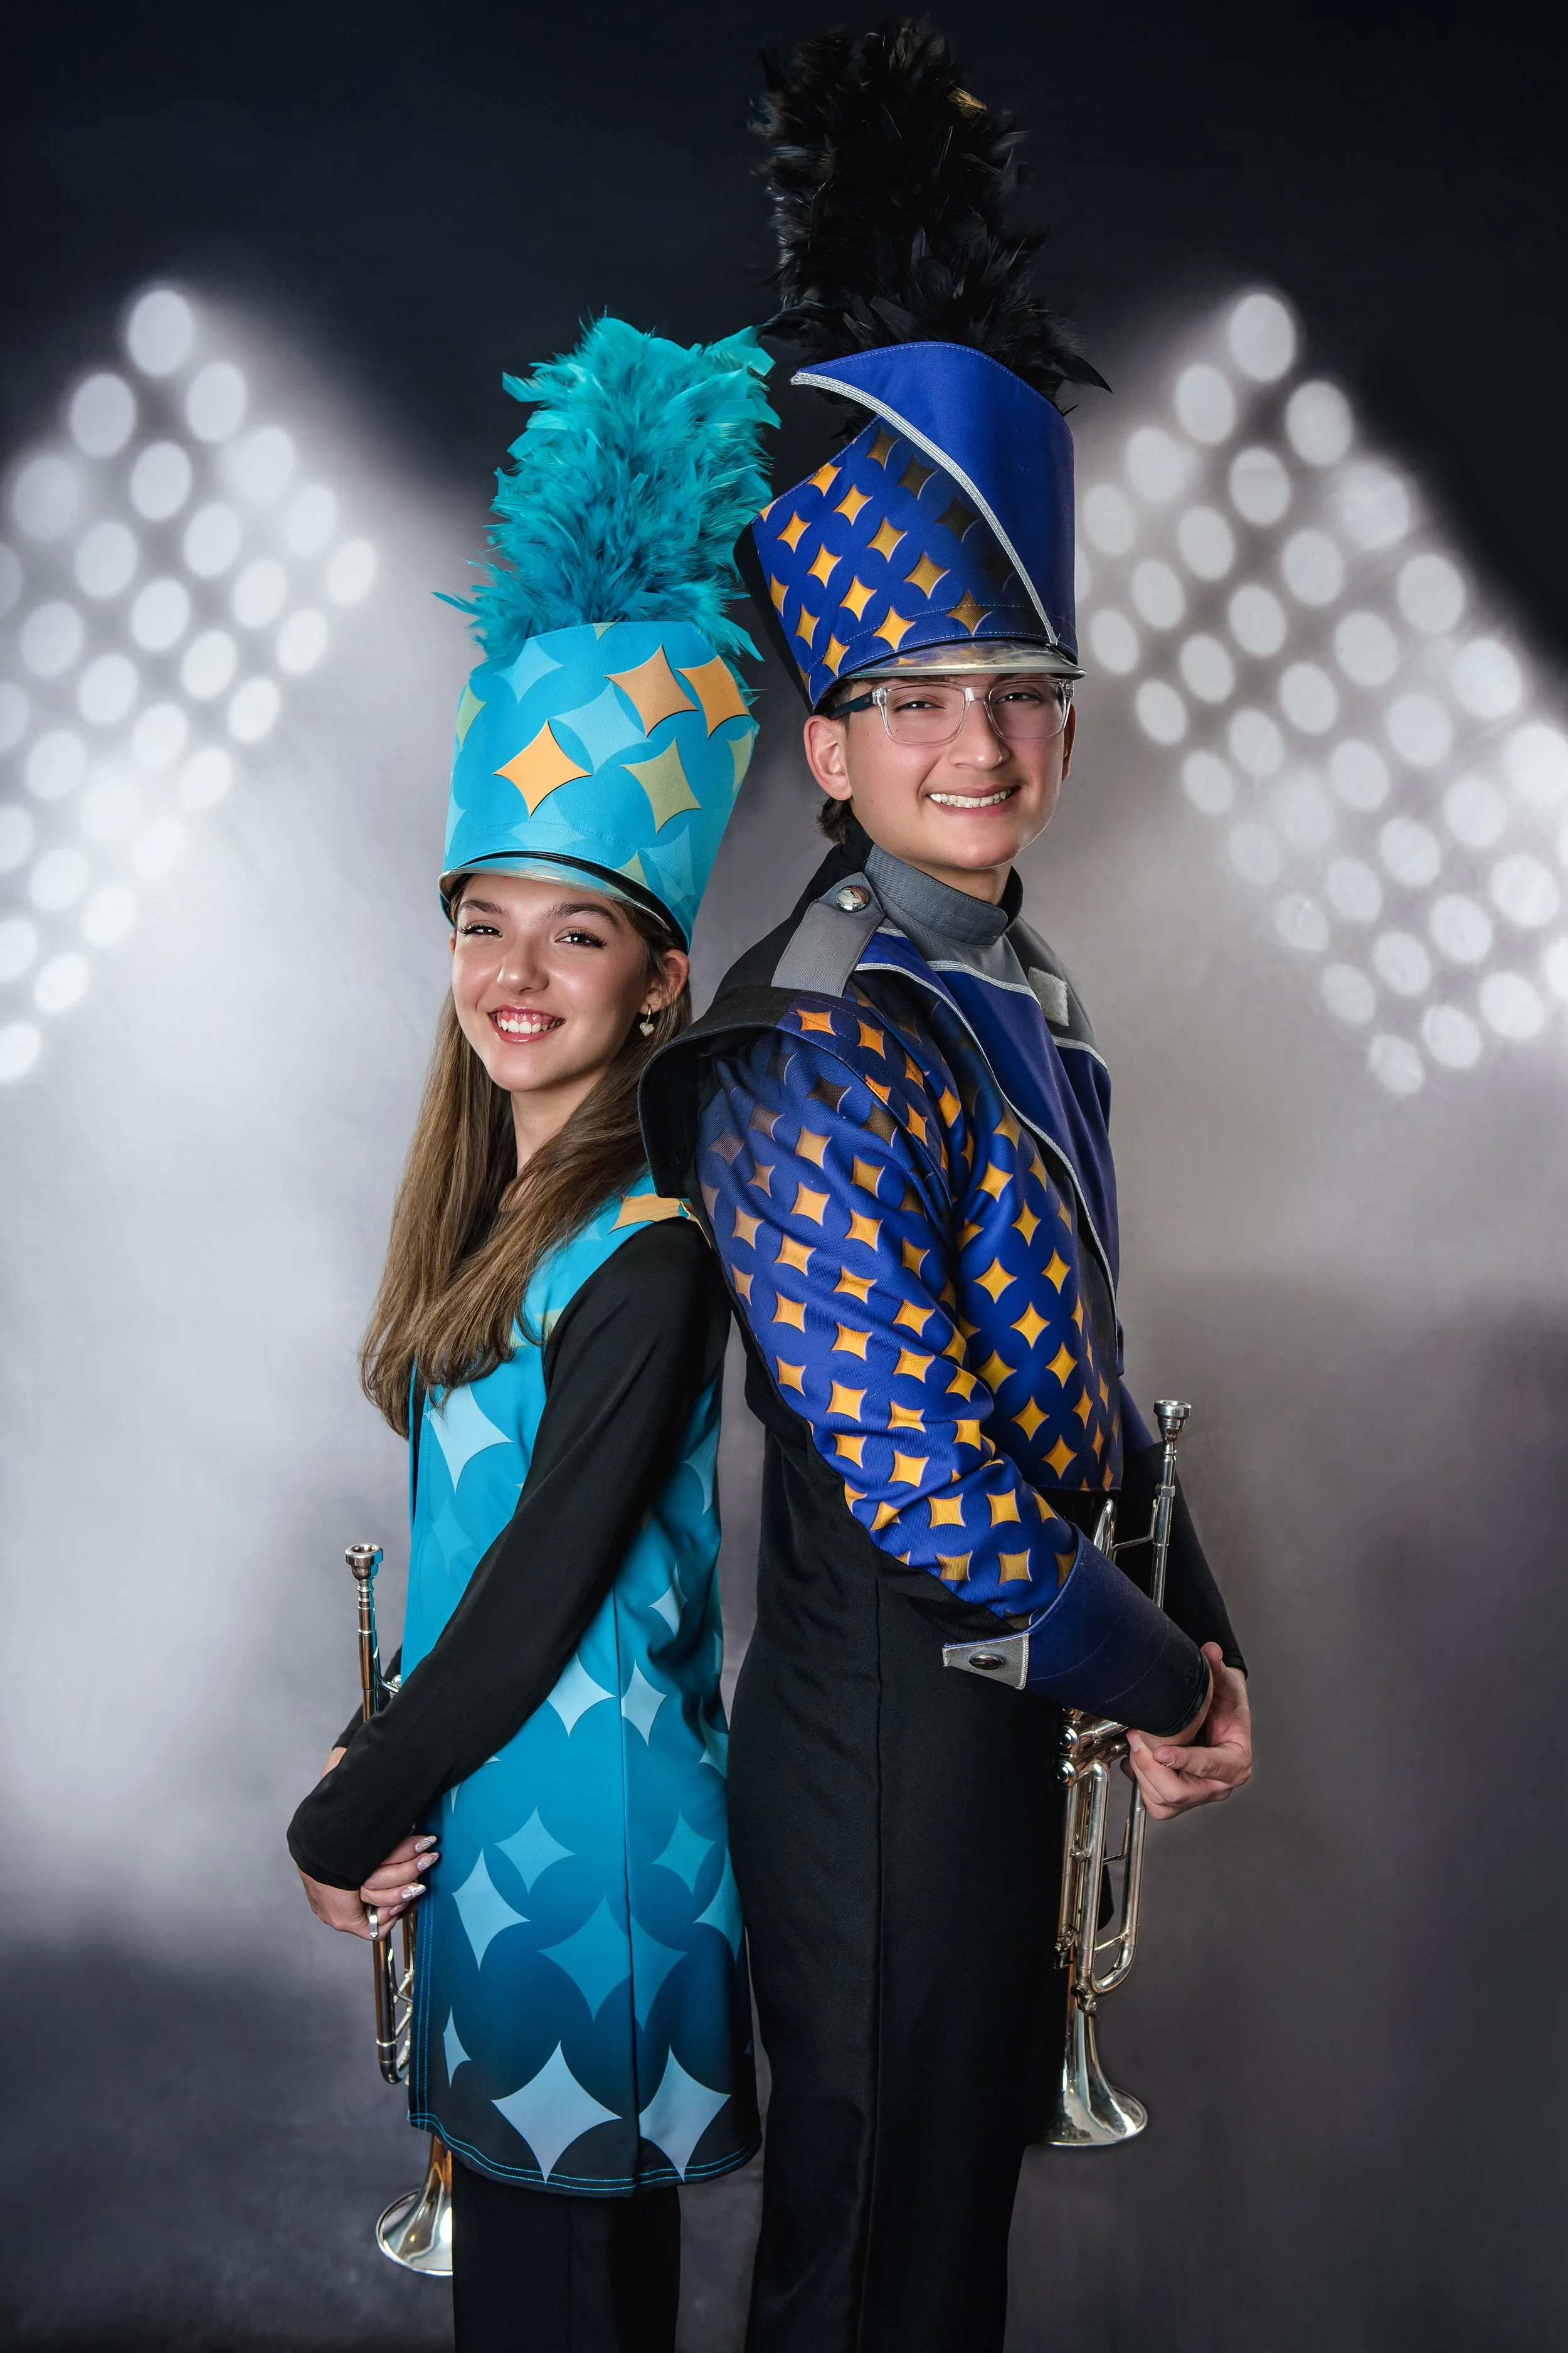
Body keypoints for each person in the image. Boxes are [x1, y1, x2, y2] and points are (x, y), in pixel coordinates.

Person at [637, 24, 1253, 2353]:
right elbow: (922, 1485)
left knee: (944, 2279)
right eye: (910, 693)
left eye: (1012, 687)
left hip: (995, 1732)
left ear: (1069, 730)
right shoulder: (808, 1046)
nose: (972, 740)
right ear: (828, 743)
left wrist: (1211, 1625)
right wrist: (1166, 1659)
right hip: (886, 1748)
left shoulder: (1024, 992)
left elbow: (1075, 1384)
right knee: (874, 2270)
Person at [287, 314, 777, 2353]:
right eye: (482, 918)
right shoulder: (488, 1219)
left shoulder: (650, 1253)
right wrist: (393, 1780)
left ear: (654, 979)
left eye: (574, 929)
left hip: (604, 1880)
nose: (514, 970)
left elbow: (533, 1598)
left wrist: (339, 1807)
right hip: (498, 1845)